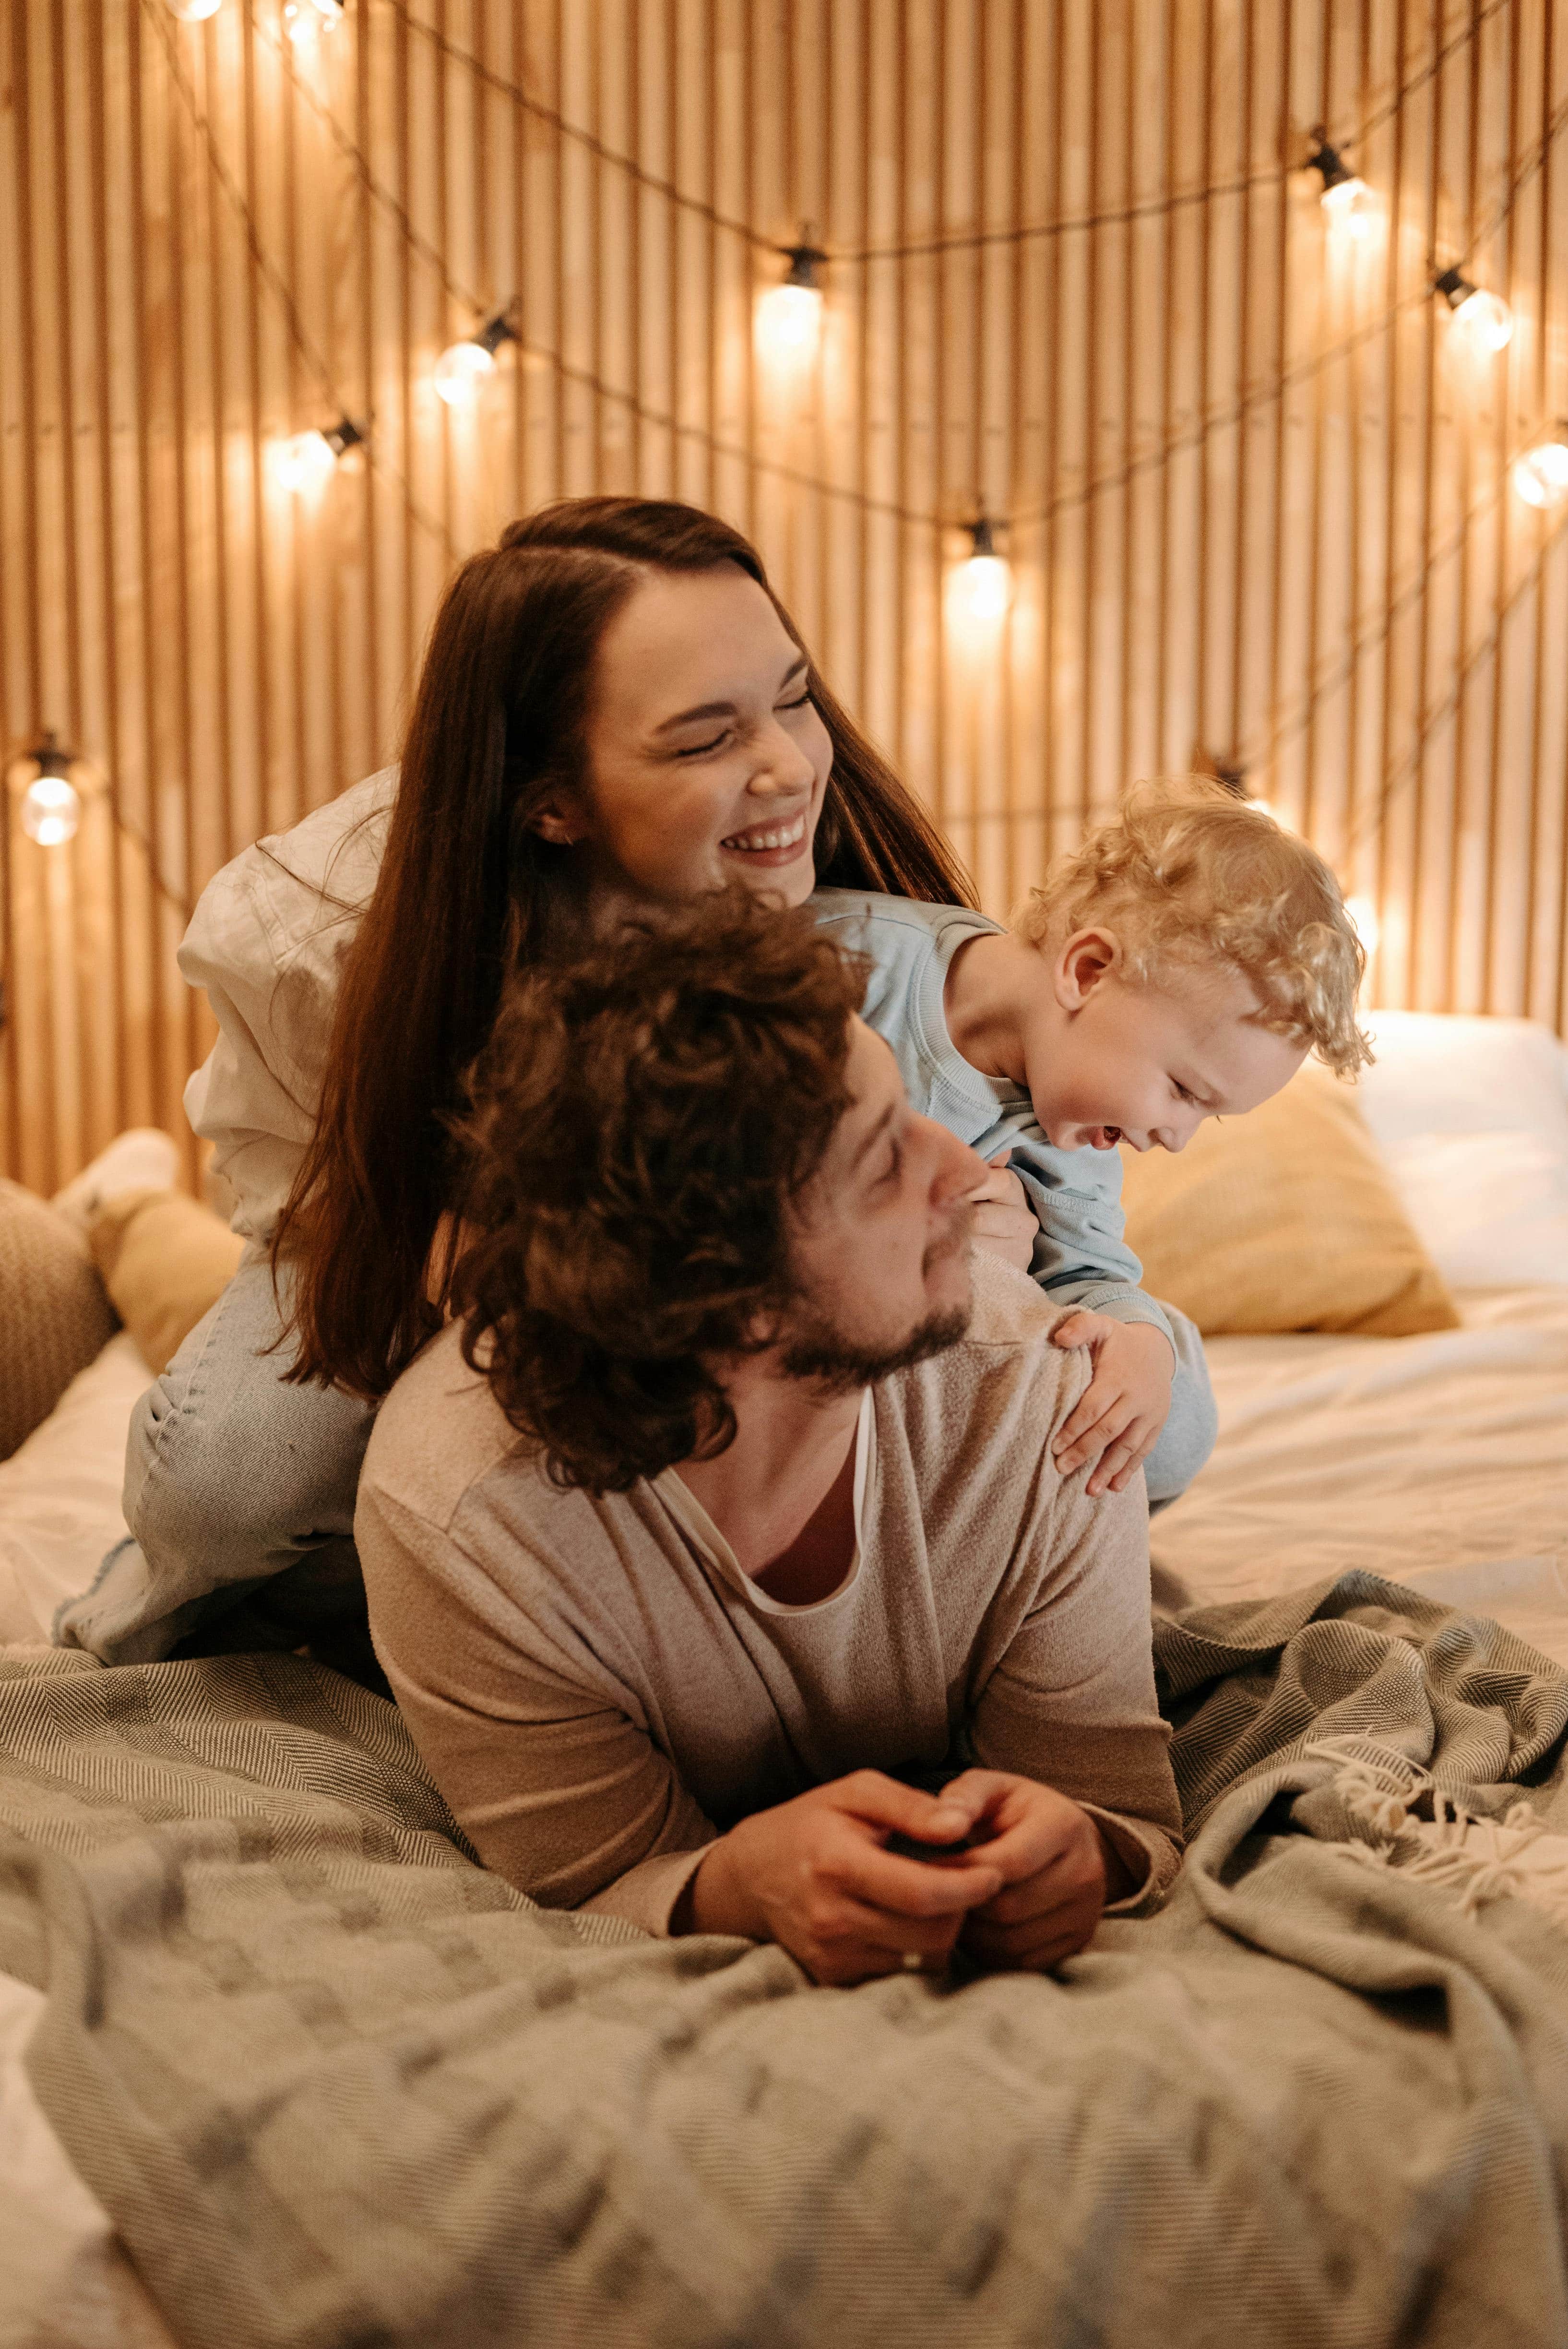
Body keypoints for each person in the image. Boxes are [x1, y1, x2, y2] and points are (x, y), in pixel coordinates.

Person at [55, 498, 989, 1666]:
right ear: (551, 799)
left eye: (792, 699)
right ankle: (125, 1218)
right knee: (239, 1479)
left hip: (687, 1258)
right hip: (408, 1228)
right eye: (703, 740)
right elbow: (307, 1209)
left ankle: (130, 1210)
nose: (787, 769)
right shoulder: (333, 934)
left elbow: (1030, 1203)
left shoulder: (892, 950)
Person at [356, 895, 1184, 1986]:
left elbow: (1116, 1815)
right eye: (885, 1160)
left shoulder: (1051, 1412)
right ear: (730, 1301)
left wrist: (1079, 1852)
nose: (973, 1173)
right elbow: (590, 1875)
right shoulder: (465, 1521)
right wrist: (730, 1886)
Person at [821, 778, 1371, 1503]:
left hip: (917, 1381)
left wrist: (1139, 1345)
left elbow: (1088, 1274)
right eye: (1182, 1091)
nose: (1175, 1139)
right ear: (1089, 972)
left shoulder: (1073, 1139)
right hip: (797, 1320)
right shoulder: (852, 961)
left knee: (1171, 1417)